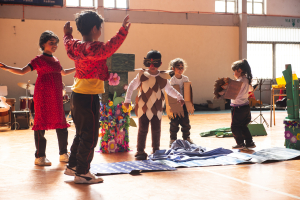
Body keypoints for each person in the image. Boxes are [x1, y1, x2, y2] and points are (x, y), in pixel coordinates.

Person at [63, 10, 130, 184]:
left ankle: (72, 166)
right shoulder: (94, 48)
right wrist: (123, 30)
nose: (100, 30)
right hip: (89, 96)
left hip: (77, 95)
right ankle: (83, 172)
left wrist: (67, 34)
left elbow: (68, 43)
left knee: (81, 133)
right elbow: (110, 47)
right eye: (100, 27)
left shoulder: (75, 46)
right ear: (94, 29)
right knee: (91, 136)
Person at [0, 31, 75, 166]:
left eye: (56, 43)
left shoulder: (56, 60)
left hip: (56, 97)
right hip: (43, 97)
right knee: (40, 125)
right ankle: (40, 156)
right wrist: (7, 68)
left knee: (61, 124)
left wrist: (77, 68)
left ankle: (63, 154)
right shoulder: (38, 60)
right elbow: (23, 71)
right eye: (51, 43)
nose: (54, 45)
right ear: (43, 44)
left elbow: (63, 72)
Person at [124, 50, 184, 160]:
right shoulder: (141, 75)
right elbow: (132, 86)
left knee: (156, 129)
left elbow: (169, 90)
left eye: (155, 63)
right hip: (143, 108)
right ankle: (140, 150)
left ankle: (156, 150)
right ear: (146, 63)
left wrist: (179, 96)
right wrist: (127, 99)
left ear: (160, 64)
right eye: (149, 63)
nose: (152, 66)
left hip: (157, 109)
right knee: (142, 129)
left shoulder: (163, 77)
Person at [230, 59, 256, 149]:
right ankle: (250, 142)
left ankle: (240, 143)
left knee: (234, 126)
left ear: (239, 70)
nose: (234, 74)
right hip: (246, 107)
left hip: (237, 108)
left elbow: (230, 93)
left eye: (234, 71)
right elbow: (251, 90)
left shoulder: (238, 82)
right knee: (243, 126)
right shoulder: (246, 81)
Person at [168, 58, 193, 147]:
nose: (180, 69)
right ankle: (173, 139)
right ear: (173, 68)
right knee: (174, 123)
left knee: (185, 122)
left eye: (182, 67)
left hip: (184, 104)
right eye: (178, 67)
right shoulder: (171, 80)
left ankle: (186, 138)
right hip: (175, 104)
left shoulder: (185, 78)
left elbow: (188, 91)